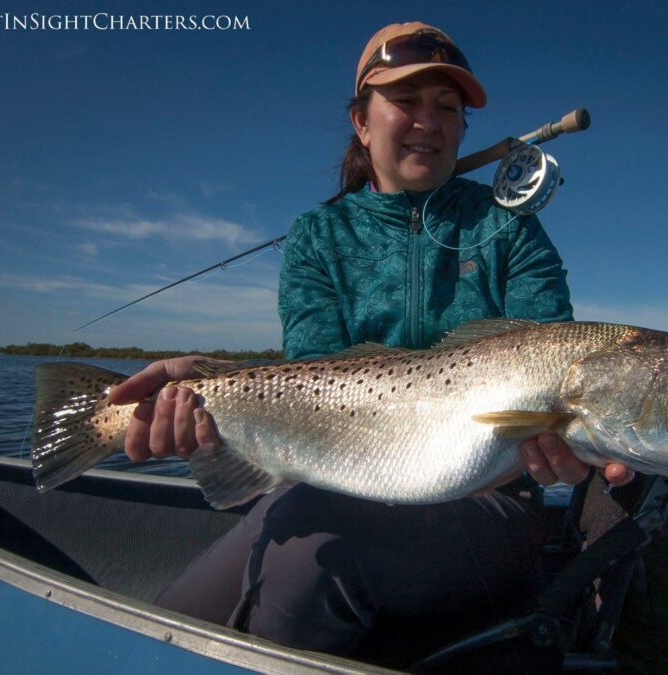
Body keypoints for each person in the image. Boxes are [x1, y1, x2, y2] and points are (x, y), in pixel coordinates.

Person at [108, 21, 632, 659]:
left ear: (464, 128)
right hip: (328, 488)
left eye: (447, 109)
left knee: (308, 563)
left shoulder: (511, 233)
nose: (428, 122)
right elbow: (312, 377)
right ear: (361, 121)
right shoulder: (317, 237)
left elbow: (555, 359)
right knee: (164, 624)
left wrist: (572, 447)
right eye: (405, 103)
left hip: (488, 507)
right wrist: (211, 380)